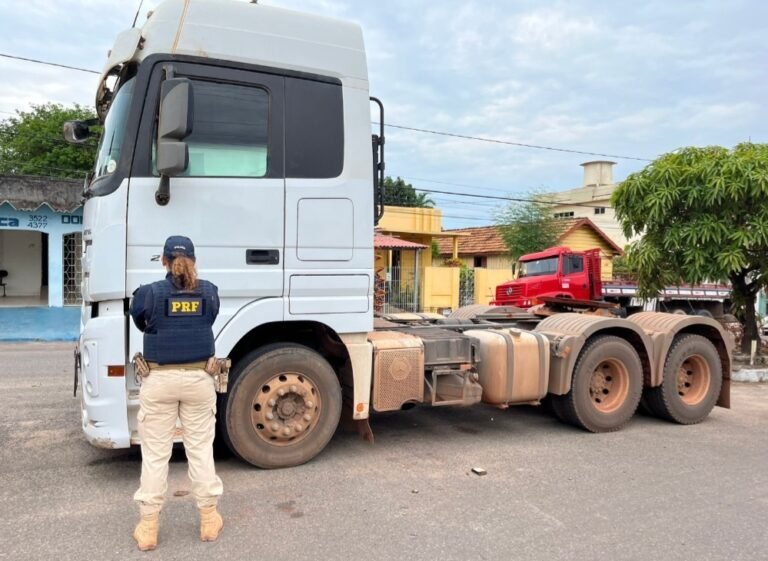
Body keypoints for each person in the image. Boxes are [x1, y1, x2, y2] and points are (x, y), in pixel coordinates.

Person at [130, 235, 223, 551]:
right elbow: (208, 319)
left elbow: (141, 322)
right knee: (200, 450)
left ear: (163, 261)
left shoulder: (149, 295)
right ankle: (209, 519)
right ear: (194, 261)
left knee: (155, 455)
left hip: (159, 380)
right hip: (199, 379)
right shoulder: (209, 293)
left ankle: (148, 527)